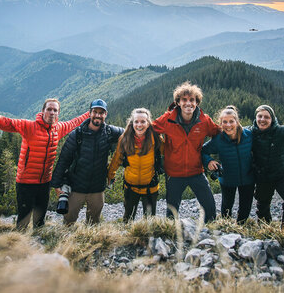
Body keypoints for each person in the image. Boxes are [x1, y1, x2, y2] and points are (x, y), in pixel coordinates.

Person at [0, 98, 89, 229]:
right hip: (25, 182)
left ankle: (38, 243)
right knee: (23, 221)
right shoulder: (29, 127)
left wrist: (93, 112)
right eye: (49, 109)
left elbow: (75, 122)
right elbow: (4, 122)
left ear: (58, 113)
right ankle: (18, 244)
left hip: (45, 182)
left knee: (40, 220)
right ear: (42, 111)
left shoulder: (58, 129)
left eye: (55, 110)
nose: (52, 112)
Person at [152, 82, 220, 223]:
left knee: (210, 209)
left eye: (192, 100)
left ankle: (209, 236)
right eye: (184, 100)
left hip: (196, 171)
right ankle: (171, 238)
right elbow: (151, 130)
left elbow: (218, 134)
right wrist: (162, 146)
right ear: (177, 102)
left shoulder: (204, 120)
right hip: (174, 173)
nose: (188, 103)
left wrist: (208, 156)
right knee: (172, 212)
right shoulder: (168, 119)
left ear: (197, 103)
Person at [51, 99, 123, 225]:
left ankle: (91, 243)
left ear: (105, 115)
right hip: (76, 187)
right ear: (90, 113)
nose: (98, 115)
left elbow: (130, 131)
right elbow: (64, 160)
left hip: (97, 188)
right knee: (69, 220)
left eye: (101, 112)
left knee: (94, 221)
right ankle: (67, 243)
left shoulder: (109, 132)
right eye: (95, 111)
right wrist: (56, 184)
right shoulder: (77, 134)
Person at [107, 108, 164, 222]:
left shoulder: (156, 138)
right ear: (132, 123)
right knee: (128, 218)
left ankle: (148, 240)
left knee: (149, 221)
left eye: (143, 122)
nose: (139, 125)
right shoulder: (124, 139)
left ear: (148, 123)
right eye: (136, 121)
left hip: (150, 187)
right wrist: (110, 175)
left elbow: (169, 152)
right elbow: (116, 159)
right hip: (130, 186)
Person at [201, 105, 255, 223]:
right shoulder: (218, 140)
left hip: (248, 178)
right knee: (226, 207)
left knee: (245, 207)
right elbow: (202, 151)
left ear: (237, 121)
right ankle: (226, 227)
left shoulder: (249, 135)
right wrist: (209, 161)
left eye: (231, 121)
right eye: (224, 122)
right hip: (227, 179)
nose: (228, 125)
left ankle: (242, 227)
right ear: (220, 123)